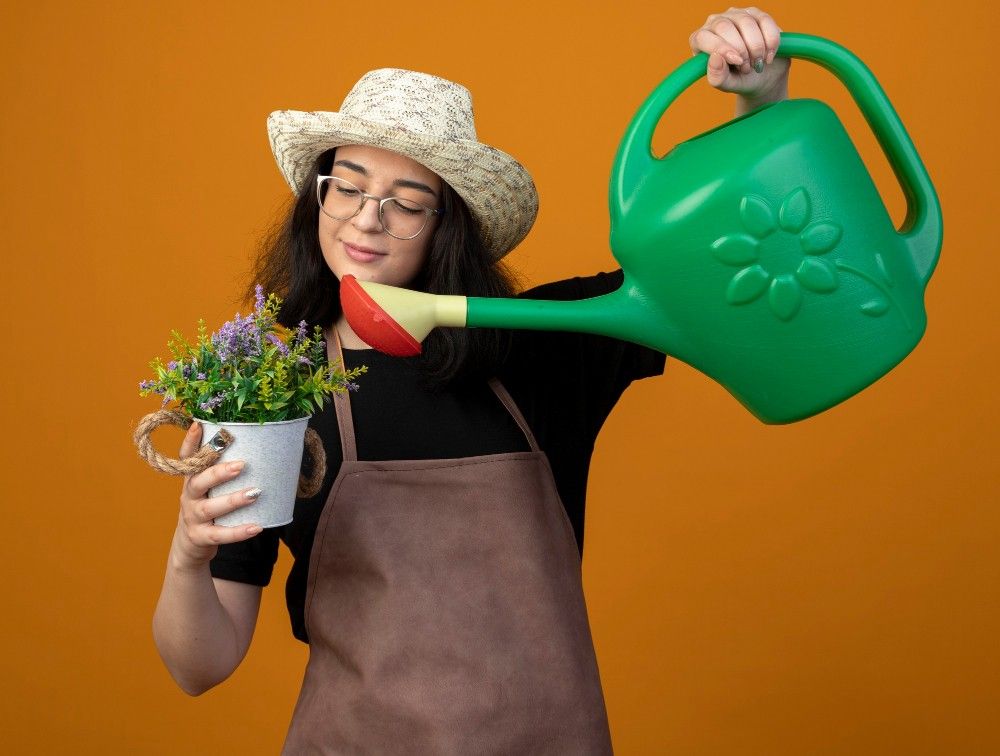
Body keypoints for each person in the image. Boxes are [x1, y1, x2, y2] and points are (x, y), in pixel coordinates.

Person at [153, 7, 790, 752]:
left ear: (449, 224)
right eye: (347, 186)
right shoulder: (267, 393)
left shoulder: (539, 345)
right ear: (316, 197)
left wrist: (758, 100)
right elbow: (202, 664)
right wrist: (188, 555)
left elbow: (713, 263)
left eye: (409, 203)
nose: (368, 219)